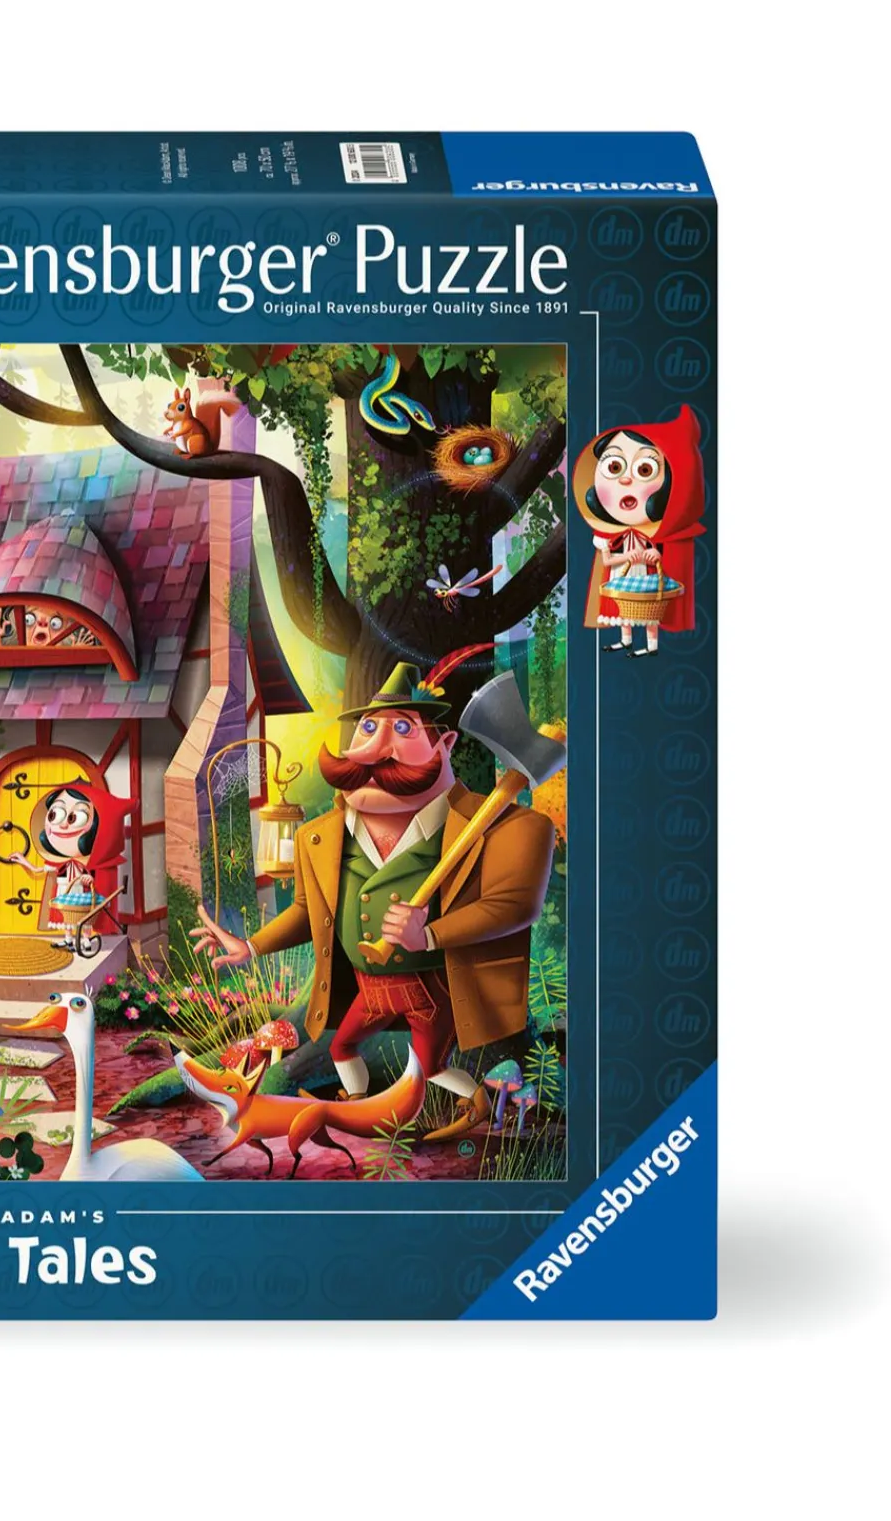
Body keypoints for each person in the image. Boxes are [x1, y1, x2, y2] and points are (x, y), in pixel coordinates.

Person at [188, 661, 555, 1142]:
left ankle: (475, 1102)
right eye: (366, 728)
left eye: (402, 728)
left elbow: (513, 905)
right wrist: (252, 946)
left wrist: (429, 934)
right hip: (370, 988)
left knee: (431, 1067)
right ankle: (358, 1102)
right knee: (341, 1047)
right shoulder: (319, 838)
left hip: (431, 992)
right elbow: (306, 912)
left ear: (445, 745)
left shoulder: (508, 829)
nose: (376, 749)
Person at [572, 406, 706, 658]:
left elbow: (662, 557)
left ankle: (652, 644)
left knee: (649, 609)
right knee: (623, 609)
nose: (625, 481)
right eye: (614, 467)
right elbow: (607, 560)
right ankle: (625, 640)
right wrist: (626, 557)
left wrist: (654, 556)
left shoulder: (660, 533)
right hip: (620, 575)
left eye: (644, 470)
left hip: (646, 577)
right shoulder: (607, 537)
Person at [0, 783, 133, 951]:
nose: (63, 825)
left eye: (75, 818)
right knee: (65, 915)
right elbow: (39, 870)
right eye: (55, 815)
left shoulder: (88, 861)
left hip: (81, 891)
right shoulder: (59, 862)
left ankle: (85, 939)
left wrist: (89, 878)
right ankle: (68, 938)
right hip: (64, 889)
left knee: (84, 914)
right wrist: (23, 860)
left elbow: (95, 876)